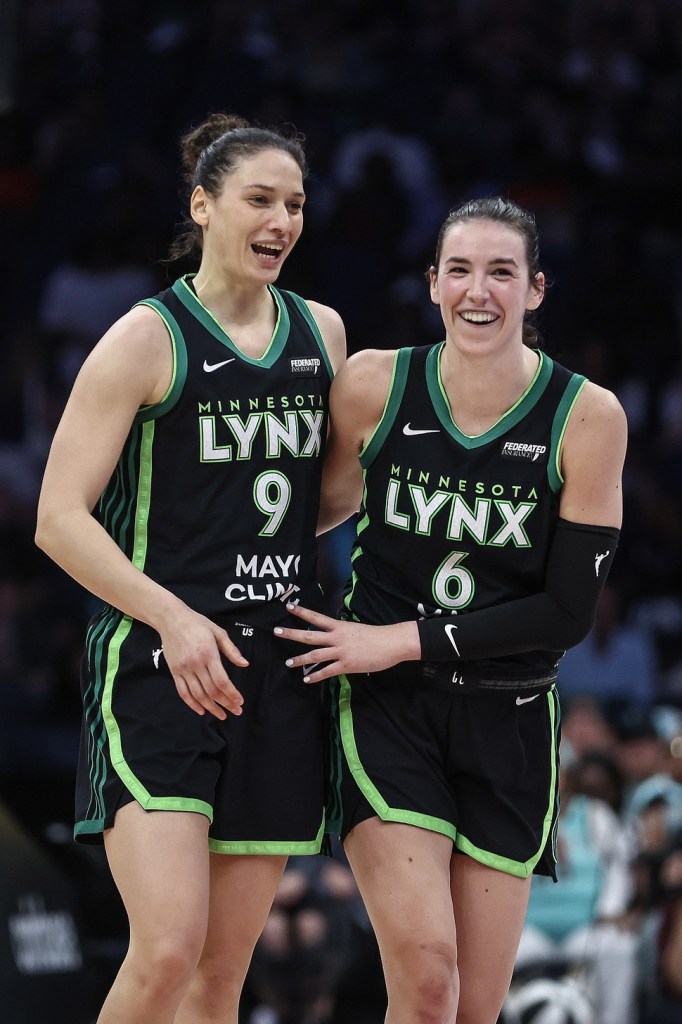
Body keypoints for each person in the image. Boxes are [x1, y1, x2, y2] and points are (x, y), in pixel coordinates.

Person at [274, 196, 628, 1024]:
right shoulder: (375, 383)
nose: (480, 290)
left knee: (473, 1008)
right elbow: (299, 518)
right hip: (388, 711)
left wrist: (402, 638)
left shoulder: (586, 416)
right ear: (432, 284)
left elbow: (567, 614)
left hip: (509, 715)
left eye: (502, 271)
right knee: (429, 981)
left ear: (534, 290)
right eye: (460, 270)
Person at [34, 112, 346, 1024]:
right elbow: (59, 519)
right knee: (168, 949)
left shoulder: (321, 333)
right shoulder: (145, 338)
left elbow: (313, 502)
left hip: (272, 670)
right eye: (260, 200)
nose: (282, 220)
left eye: (294, 203)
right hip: (158, 664)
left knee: (221, 975)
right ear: (203, 206)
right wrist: (172, 617)